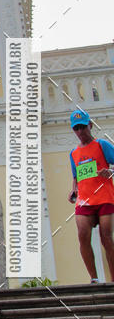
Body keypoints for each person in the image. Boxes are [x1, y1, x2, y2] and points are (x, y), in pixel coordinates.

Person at [68, 109, 114, 283]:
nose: (80, 131)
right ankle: (94, 278)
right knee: (82, 234)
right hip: (85, 200)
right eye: (76, 128)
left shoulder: (102, 145)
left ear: (90, 125)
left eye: (83, 127)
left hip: (104, 197)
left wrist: (110, 171)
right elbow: (76, 176)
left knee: (106, 237)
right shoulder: (73, 153)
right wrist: (73, 190)